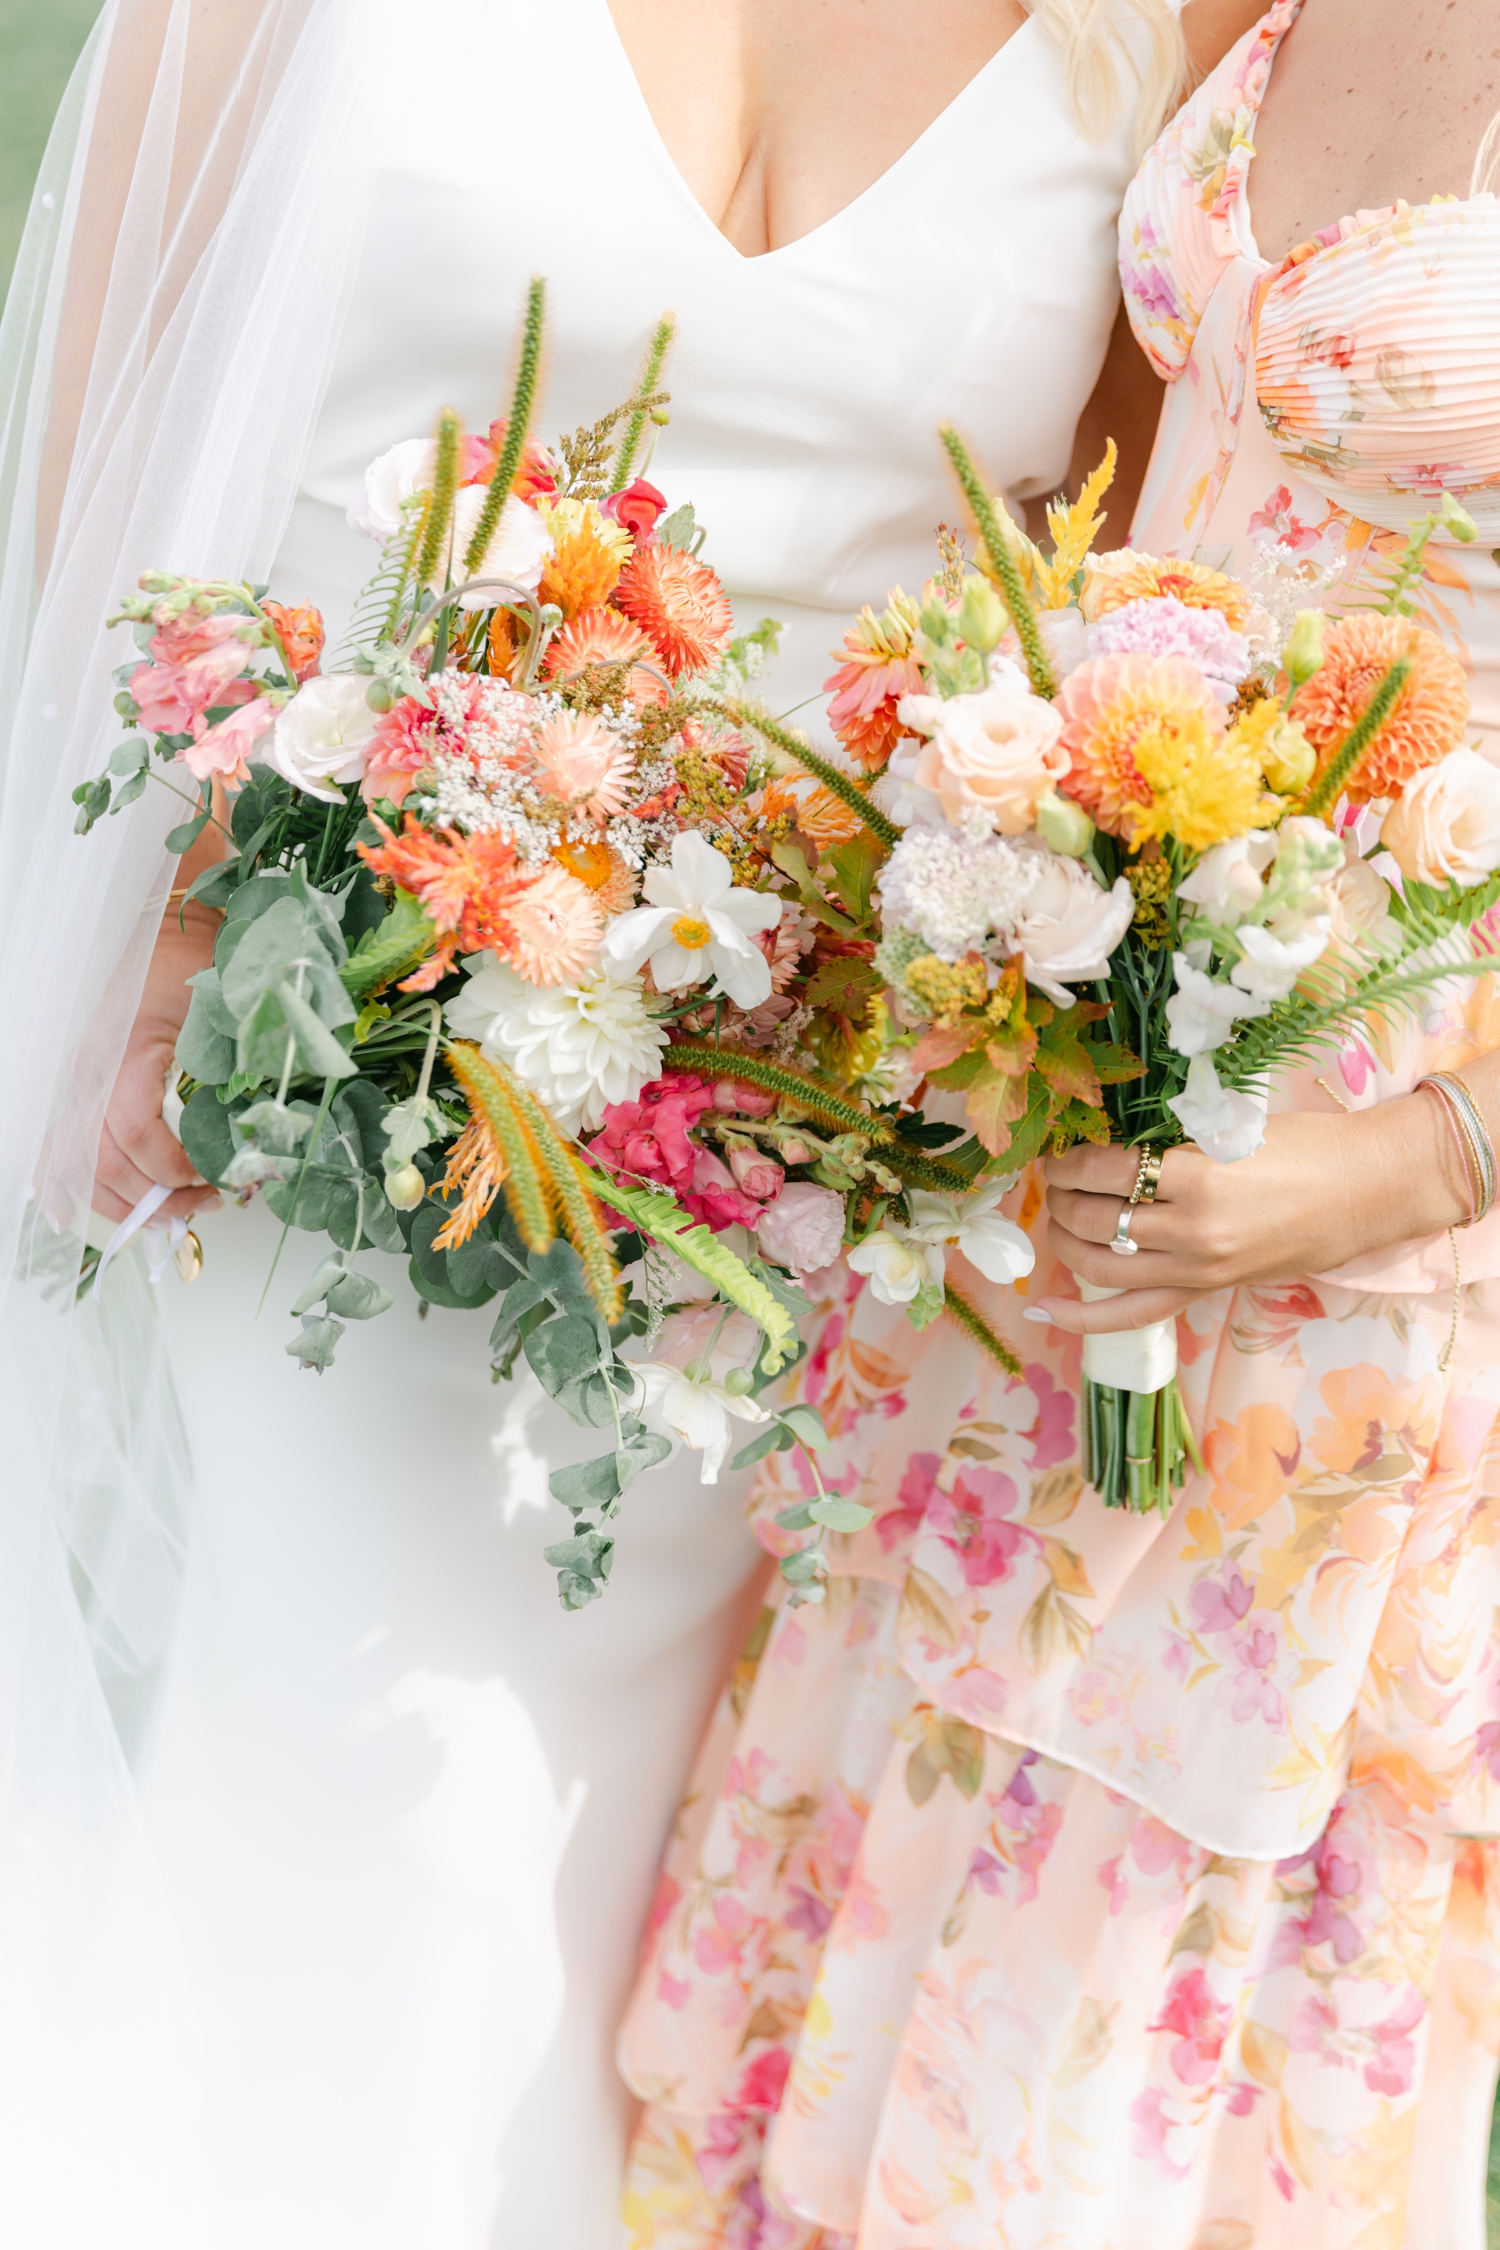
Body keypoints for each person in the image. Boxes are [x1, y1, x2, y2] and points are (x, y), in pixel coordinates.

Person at [0, 0, 1265, 2243]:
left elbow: (1123, 608)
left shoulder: (1144, 40)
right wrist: (156, 934)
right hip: (329, 1094)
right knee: (381, 1816)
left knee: (636, 1957)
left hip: (808, 1195)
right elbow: (71, 491)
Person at [617, 1, 1500, 2243]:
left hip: (1365, 1232)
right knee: (860, 1917)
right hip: (1068, 1092)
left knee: (1100, 2055)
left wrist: (1394, 1170)